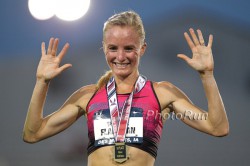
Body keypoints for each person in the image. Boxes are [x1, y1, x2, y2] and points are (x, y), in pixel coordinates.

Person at [23, 10, 229, 166]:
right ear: (104, 48)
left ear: (142, 49)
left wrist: (207, 76)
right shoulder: (88, 96)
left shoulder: (162, 94)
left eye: (129, 48)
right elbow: (33, 133)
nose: (120, 57)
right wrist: (42, 82)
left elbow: (217, 127)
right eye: (113, 48)